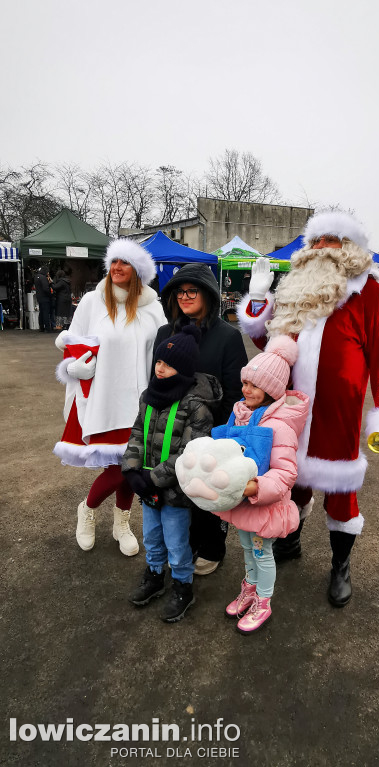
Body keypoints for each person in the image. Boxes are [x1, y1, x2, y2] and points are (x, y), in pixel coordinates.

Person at [237, 210, 379, 607]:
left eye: (332, 243)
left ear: (349, 250)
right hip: (291, 407)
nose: (322, 250)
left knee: (340, 491)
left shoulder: (368, 291)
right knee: (290, 477)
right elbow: (270, 346)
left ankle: (340, 565)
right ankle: (292, 538)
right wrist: (260, 298)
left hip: (339, 411)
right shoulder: (296, 288)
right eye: (316, 243)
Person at [54, 239, 166, 556]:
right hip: (103, 400)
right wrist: (74, 368)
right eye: (113, 261)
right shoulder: (93, 302)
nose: (116, 268)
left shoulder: (152, 308)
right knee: (118, 469)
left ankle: (122, 522)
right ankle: (87, 511)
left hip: (140, 402)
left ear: (137, 271)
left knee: (132, 469)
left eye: (124, 263)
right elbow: (72, 346)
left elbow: (164, 351)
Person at [122, 326, 222, 622]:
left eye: (168, 364)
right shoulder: (148, 396)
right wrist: (132, 470)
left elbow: (191, 454)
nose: (160, 368)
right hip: (147, 488)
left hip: (176, 492)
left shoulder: (197, 408)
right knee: (151, 536)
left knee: (177, 542)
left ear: (184, 368)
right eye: (158, 362)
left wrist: (153, 480)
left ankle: (182, 585)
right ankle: (154, 574)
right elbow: (137, 433)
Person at [153, 264, 248, 575]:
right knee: (177, 492)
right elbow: (155, 382)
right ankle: (183, 544)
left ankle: (211, 546)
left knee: (208, 493)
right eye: (180, 291)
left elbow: (236, 392)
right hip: (171, 430)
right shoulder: (165, 333)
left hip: (212, 432)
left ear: (208, 294)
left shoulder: (227, 337)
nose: (185, 296)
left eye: (192, 290)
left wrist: (222, 437)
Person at [211, 336, 309, 634]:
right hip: (241, 503)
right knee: (245, 547)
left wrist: (256, 488)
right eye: (245, 383)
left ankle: (263, 601)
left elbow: (285, 474)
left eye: (253, 385)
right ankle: (249, 588)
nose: (245, 390)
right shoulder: (240, 414)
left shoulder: (279, 426)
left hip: (261, 503)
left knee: (261, 552)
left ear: (271, 390)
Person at [34, 266, 52, 332]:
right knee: (46, 313)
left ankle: (41, 327)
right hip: (45, 297)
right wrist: (50, 294)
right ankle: (47, 328)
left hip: (39, 297)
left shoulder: (36, 277)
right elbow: (45, 288)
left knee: (41, 312)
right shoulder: (43, 278)